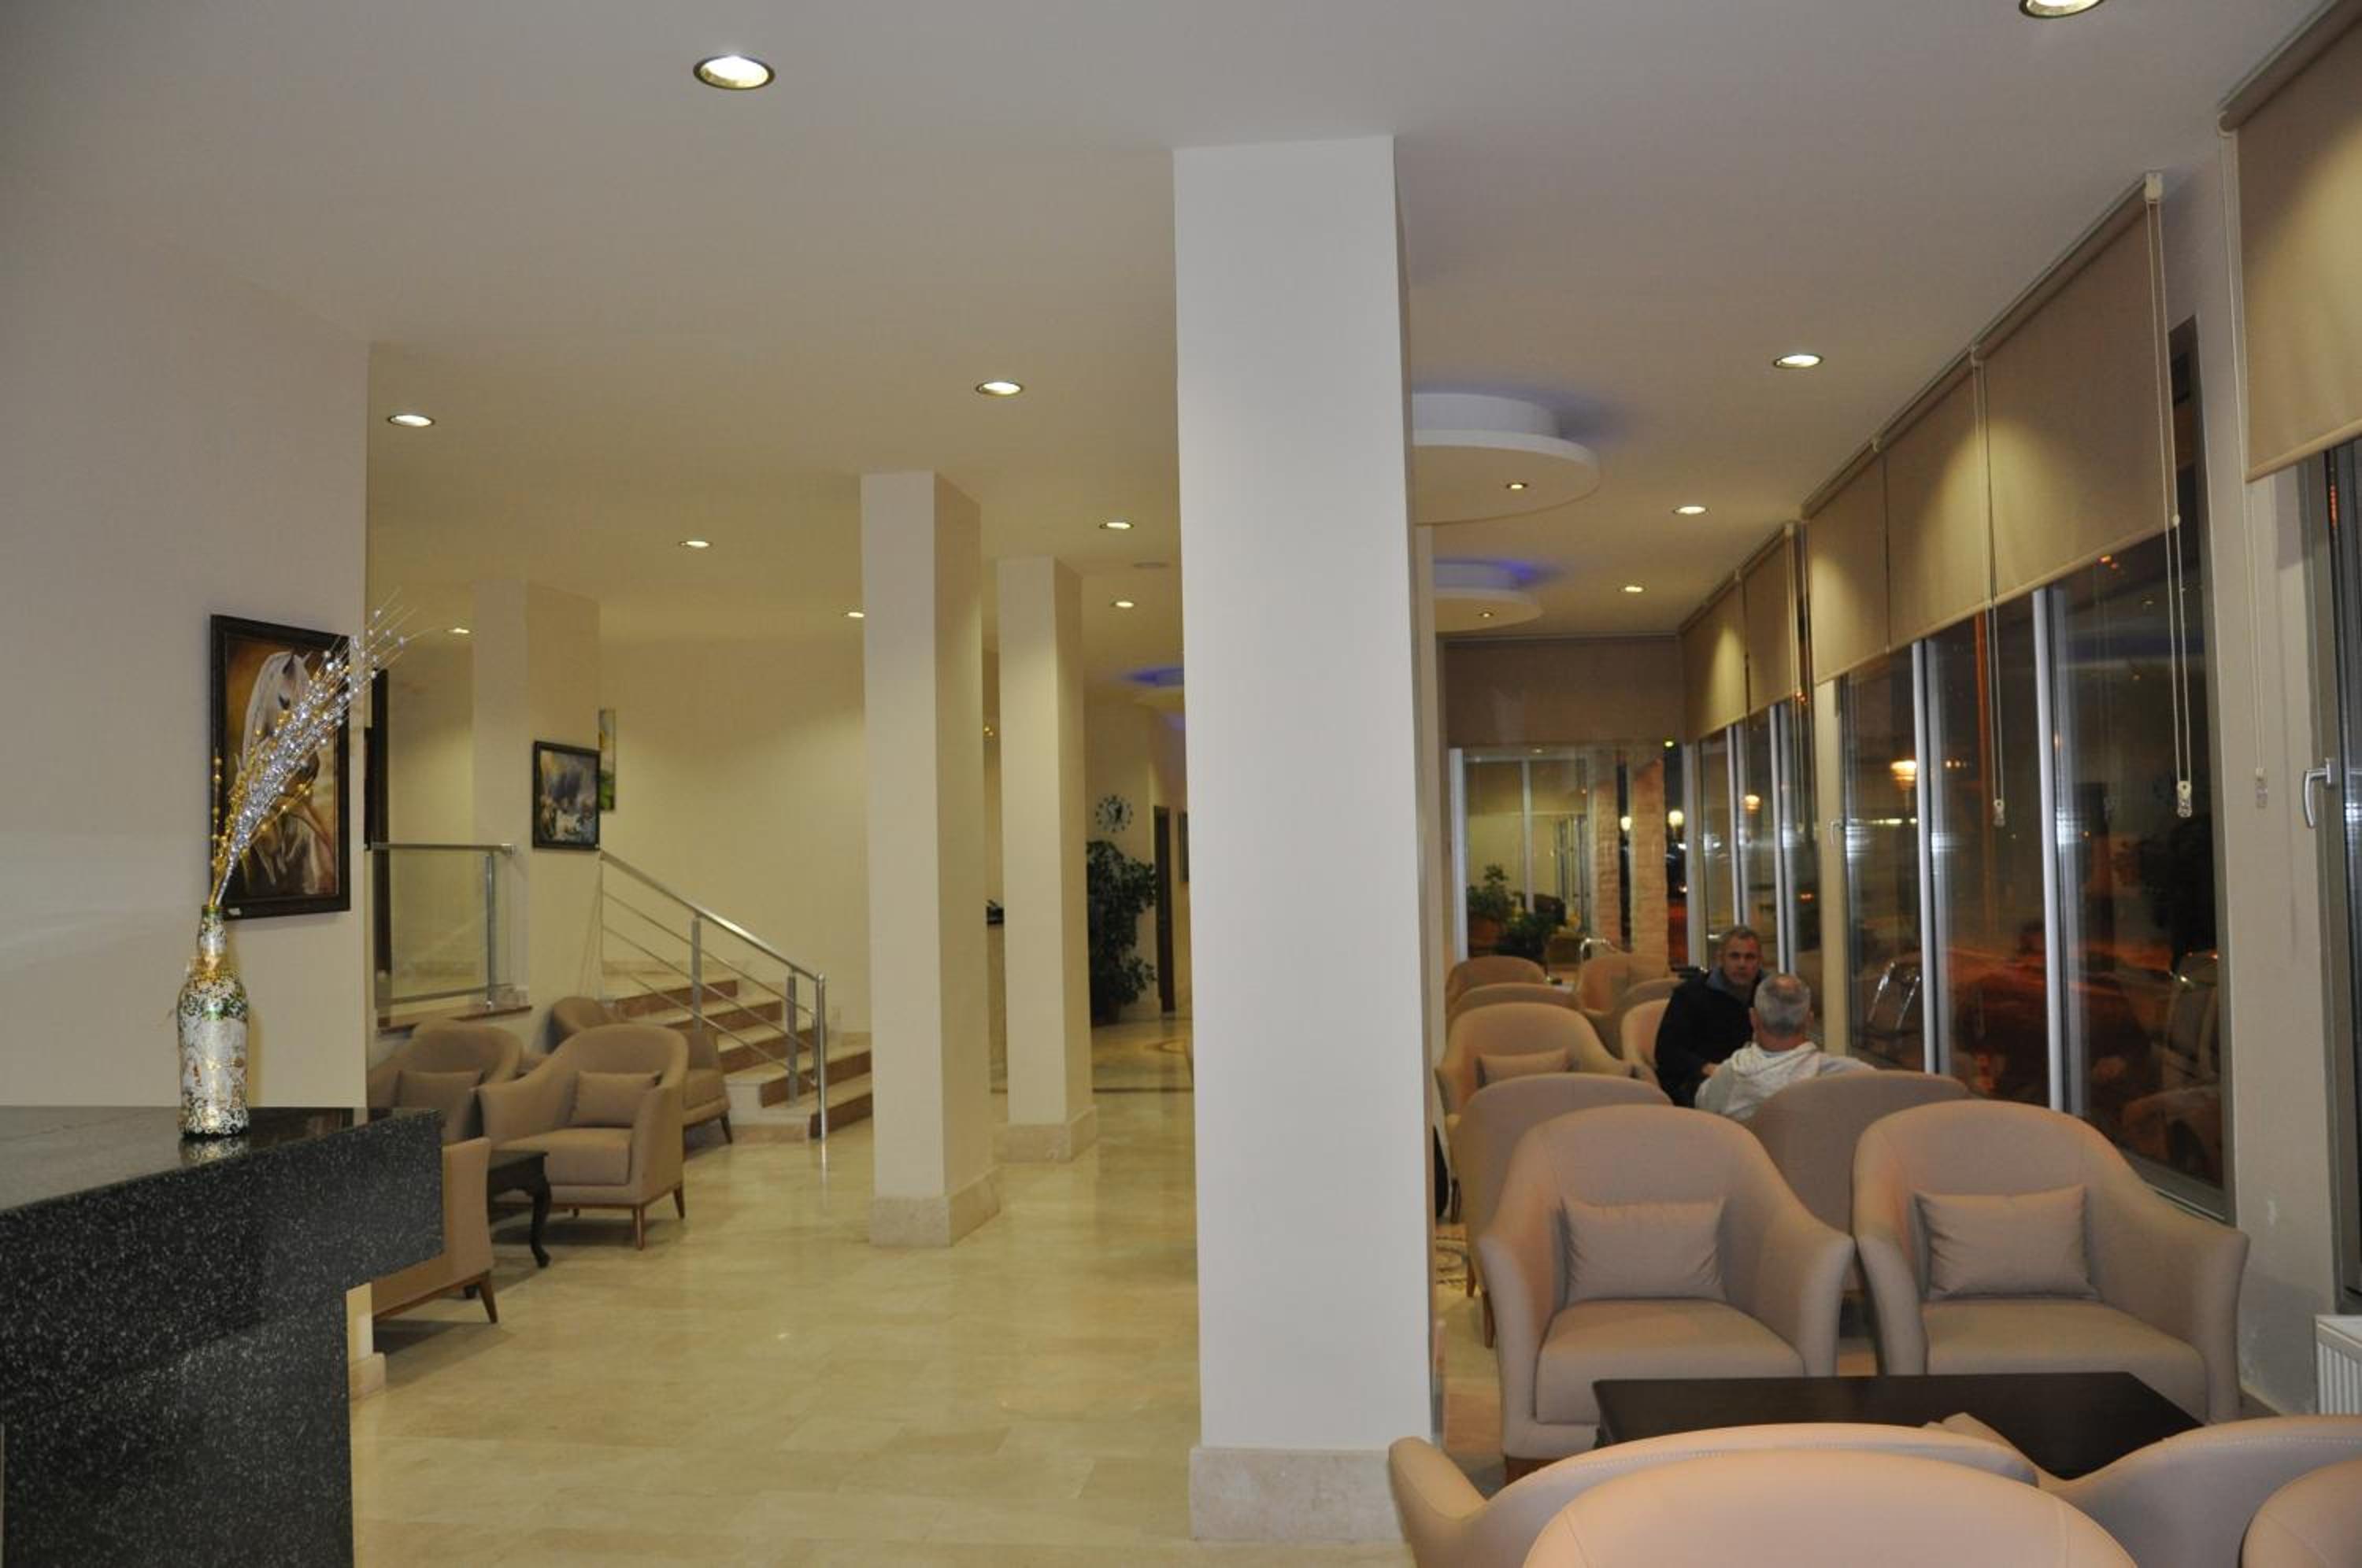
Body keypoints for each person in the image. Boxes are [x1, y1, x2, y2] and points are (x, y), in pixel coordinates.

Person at [1694, 973, 1869, 1123]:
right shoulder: (1851, 1076)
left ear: (1753, 1018)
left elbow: (1702, 1106)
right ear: (1809, 1020)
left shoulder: (1729, 1075)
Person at [1654, 926, 1764, 1107]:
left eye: (1750, 957)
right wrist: (1707, 1068)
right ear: (1720, 959)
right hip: (1699, 1081)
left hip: (1752, 1077)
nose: (1742, 964)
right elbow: (1667, 1051)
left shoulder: (1769, 993)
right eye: (1734, 956)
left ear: (1760, 961)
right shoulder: (1690, 995)